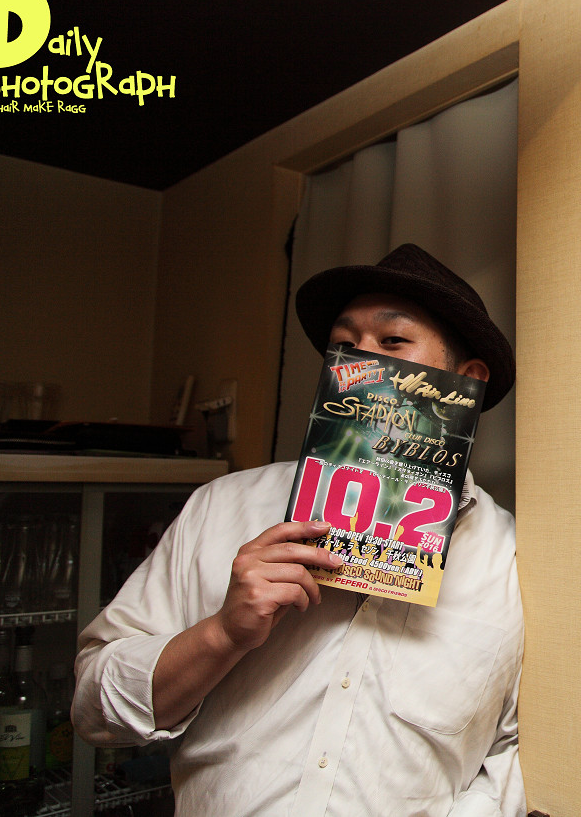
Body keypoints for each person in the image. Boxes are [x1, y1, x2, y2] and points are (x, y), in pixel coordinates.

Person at [73, 244, 524, 817]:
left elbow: (516, 753)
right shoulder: (221, 505)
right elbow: (93, 708)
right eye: (344, 346)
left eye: (392, 342)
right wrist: (222, 635)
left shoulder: (513, 561)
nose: (360, 363)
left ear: (466, 380)